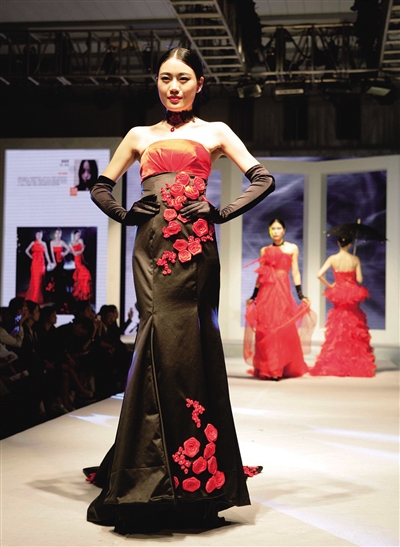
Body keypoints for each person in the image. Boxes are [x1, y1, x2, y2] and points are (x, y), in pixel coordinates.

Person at [84, 47, 275, 534]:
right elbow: (101, 187)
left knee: (189, 352)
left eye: (183, 78)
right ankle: (145, 471)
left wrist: (220, 212)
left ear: (200, 84)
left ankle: (190, 474)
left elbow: (263, 178)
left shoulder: (216, 132)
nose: (173, 87)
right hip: (152, 250)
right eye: (166, 78)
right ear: (157, 82)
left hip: (195, 252)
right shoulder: (139, 135)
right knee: (154, 345)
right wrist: (126, 214)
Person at [244, 218, 316, 380]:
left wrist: (301, 295)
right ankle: (270, 368)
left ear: (284, 230)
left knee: (281, 327)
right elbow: (261, 274)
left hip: (283, 292)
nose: (275, 231)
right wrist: (253, 296)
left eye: (278, 228)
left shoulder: (292, 248)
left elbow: (295, 272)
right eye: (273, 229)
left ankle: (279, 367)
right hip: (266, 293)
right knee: (267, 327)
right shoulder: (264, 250)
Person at [310, 236, 376, 377]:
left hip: (339, 292)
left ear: (338, 243)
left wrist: (330, 286)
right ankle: (353, 360)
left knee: (338, 322)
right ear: (350, 244)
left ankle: (337, 359)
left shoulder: (333, 258)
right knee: (354, 322)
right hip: (352, 292)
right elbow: (359, 279)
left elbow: (319, 274)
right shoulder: (355, 259)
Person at [25, 230, 51, 305]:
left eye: (40, 235)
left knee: (41, 280)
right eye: (37, 235)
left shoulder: (44, 243)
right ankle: (34, 297)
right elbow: (26, 251)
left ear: (42, 235)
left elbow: (46, 254)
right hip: (35, 263)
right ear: (35, 236)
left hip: (41, 263)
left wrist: (49, 262)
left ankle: (40, 296)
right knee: (35, 280)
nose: (38, 236)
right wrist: (32, 257)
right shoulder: (33, 243)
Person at [49, 229, 70, 312]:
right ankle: (57, 299)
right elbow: (52, 253)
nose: (57, 235)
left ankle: (62, 299)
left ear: (60, 234)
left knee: (61, 280)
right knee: (56, 280)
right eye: (56, 233)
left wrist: (64, 253)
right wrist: (54, 262)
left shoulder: (62, 242)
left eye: (59, 233)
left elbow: (68, 248)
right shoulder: (52, 242)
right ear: (54, 234)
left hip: (61, 262)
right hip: (55, 262)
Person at [69, 230, 93, 302]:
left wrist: (81, 250)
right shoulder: (71, 243)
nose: (78, 237)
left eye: (79, 235)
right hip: (77, 262)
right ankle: (81, 296)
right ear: (74, 235)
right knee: (85, 274)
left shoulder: (81, 240)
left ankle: (83, 296)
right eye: (77, 235)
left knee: (84, 277)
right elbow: (75, 253)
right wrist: (82, 249)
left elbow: (82, 251)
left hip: (82, 260)